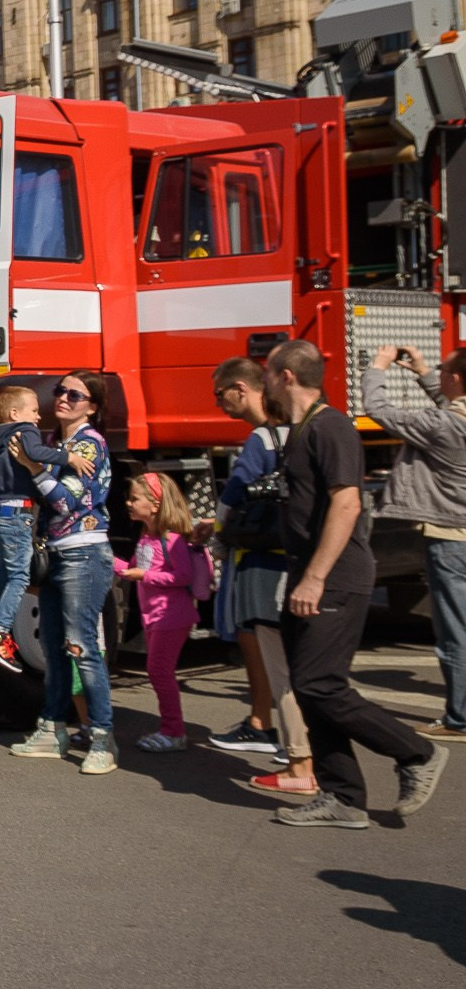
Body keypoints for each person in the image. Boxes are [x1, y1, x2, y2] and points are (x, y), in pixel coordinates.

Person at [263, 339, 444, 828]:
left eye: (267, 373)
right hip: (308, 575)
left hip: (335, 578)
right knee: (309, 687)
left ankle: (417, 753)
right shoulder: (302, 429)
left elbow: (348, 504)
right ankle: (343, 797)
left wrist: (316, 578)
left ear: (285, 376)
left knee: (319, 684)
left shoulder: (332, 426)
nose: (264, 382)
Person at [199, 358, 316, 793]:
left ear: (242, 389)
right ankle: (302, 746)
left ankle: (297, 757)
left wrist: (217, 534)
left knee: (274, 658)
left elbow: (232, 497)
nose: (218, 403)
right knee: (301, 659)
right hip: (300, 559)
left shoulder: (262, 439)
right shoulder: (302, 433)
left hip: (262, 562)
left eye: (220, 394)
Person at [8, 371, 118, 774]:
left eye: (75, 395)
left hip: (84, 555)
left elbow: (66, 503)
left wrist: (33, 467)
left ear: (92, 406)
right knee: (54, 649)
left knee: (81, 647)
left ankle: (102, 738)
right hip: (57, 553)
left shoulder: (90, 444)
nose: (64, 398)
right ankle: (52, 730)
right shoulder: (58, 444)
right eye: (60, 391)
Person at [363, 344, 466, 745]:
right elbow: (448, 405)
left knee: (455, 631)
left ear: (454, 378)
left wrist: (377, 367)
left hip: (450, 538)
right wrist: (424, 372)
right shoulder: (450, 418)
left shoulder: (442, 424)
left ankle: (460, 719)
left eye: (442, 370)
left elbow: (379, 410)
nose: (438, 374)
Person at [0, 383, 95, 672]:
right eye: (35, 411)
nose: (39, 417)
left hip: (0, 512)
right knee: (18, 577)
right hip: (17, 514)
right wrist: (69, 457)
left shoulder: (0, 436)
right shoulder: (24, 431)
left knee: (3, 575)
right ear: (15, 414)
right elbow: (34, 451)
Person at [116, 472, 206, 753]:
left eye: (135, 499)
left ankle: (174, 731)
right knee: (159, 671)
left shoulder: (172, 538)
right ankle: (171, 729)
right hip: (154, 616)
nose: (129, 503)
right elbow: (132, 569)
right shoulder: (147, 537)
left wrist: (145, 575)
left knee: (159, 672)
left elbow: (182, 576)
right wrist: (105, 557)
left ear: (155, 504)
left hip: (172, 616)